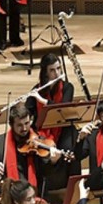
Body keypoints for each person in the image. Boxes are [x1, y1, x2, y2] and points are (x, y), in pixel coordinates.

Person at [0, 103, 66, 197]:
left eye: (27, 123)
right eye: (19, 125)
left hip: (34, 195)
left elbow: (46, 173)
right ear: (11, 125)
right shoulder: (0, 142)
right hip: (8, 196)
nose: (24, 128)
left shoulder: (39, 142)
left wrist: (53, 161)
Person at [25, 53, 76, 192]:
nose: (57, 73)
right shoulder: (38, 89)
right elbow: (26, 112)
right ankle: (41, 190)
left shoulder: (67, 87)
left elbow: (62, 110)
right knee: (34, 151)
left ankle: (72, 187)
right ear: (45, 72)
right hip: (43, 132)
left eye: (59, 69)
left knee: (70, 147)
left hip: (63, 128)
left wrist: (42, 101)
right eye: (52, 70)